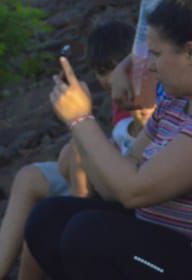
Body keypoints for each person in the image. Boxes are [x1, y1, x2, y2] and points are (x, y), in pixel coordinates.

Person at [23, 0, 192, 279]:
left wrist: (83, 120)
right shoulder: (176, 102)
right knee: (48, 218)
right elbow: (115, 189)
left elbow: (134, 192)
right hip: (165, 240)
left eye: (157, 54)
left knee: (89, 237)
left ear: (190, 52)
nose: (150, 66)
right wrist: (77, 125)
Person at [0, 20, 134, 277]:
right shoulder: (120, 103)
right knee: (29, 177)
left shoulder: (151, 98)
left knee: (46, 217)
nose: (108, 80)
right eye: (101, 72)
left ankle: (68, 229)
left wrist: (82, 121)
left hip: (117, 186)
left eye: (114, 68)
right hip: (103, 173)